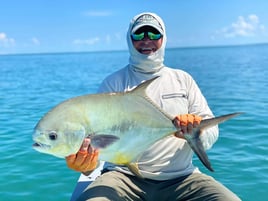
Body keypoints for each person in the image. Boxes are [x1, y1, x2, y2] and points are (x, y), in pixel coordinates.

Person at [66, 12, 241, 201]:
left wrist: (195, 131)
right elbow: (97, 140)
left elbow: (211, 131)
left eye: (154, 35)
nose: (146, 41)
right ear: (129, 39)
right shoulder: (113, 84)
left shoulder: (183, 80)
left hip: (182, 178)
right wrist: (86, 165)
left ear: (164, 39)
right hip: (122, 177)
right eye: (139, 35)